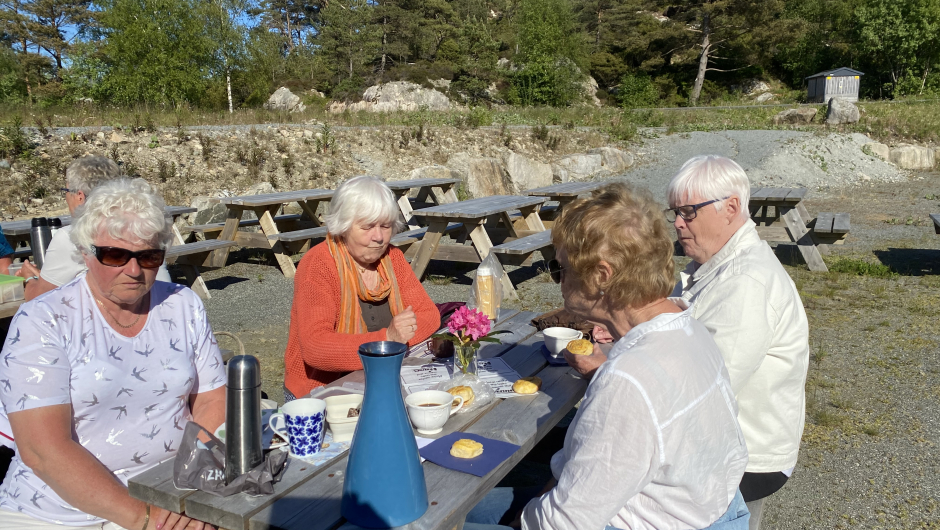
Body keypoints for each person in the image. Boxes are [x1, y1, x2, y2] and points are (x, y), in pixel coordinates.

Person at [465, 183, 749, 530]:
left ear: (602, 276)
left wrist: (518, 520)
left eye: (560, 269)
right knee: (474, 506)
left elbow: (566, 523)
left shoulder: (628, 381)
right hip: (698, 507)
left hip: (638, 520)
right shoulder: (689, 329)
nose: (558, 281)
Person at [0, 178, 225, 529]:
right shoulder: (43, 320)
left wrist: (193, 486)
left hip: (170, 491)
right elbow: (43, 451)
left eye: (148, 256)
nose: (133, 270)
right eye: (115, 255)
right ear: (85, 252)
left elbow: (212, 399)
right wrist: (146, 518)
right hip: (59, 513)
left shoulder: (182, 304)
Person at [661, 155, 810, 529]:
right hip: (718, 441)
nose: (678, 223)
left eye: (688, 212)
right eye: (675, 212)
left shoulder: (745, 282)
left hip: (747, 458)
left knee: (603, 467)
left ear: (730, 208)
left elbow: (700, 394)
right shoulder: (716, 263)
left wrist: (608, 367)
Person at [283, 176, 440, 400]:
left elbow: (429, 315)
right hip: (322, 393)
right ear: (344, 226)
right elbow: (316, 347)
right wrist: (386, 341)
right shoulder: (318, 265)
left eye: (385, 226)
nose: (379, 237)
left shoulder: (392, 258)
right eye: (367, 226)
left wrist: (396, 341)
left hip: (383, 379)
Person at [16, 156, 171, 301]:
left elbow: (41, 299)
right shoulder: (145, 228)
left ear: (79, 196)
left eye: (66, 191)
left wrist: (29, 278)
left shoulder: (70, 236)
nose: (134, 270)